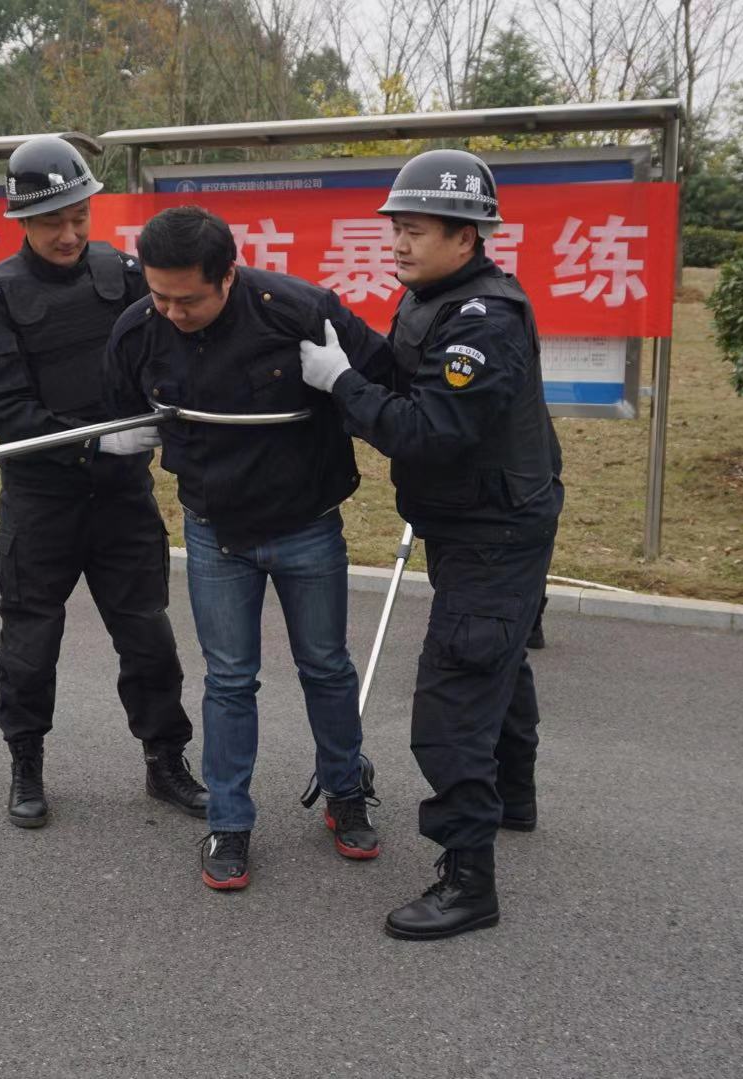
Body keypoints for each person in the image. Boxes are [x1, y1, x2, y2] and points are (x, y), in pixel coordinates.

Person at [295, 149, 563, 940]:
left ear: (465, 234)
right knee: (497, 657)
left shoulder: (485, 320)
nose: (398, 243)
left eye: (413, 230)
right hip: (473, 519)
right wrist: (335, 333)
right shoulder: (432, 299)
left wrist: (337, 385)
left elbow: (428, 428)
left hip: (494, 530)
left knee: (453, 699)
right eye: (395, 229)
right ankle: (513, 796)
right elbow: (401, 371)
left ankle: (467, 877)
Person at [103, 206, 386, 892]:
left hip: (306, 525)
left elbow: (384, 389)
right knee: (228, 679)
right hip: (213, 531)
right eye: (158, 293)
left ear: (228, 274)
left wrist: (341, 383)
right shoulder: (139, 329)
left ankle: (345, 791)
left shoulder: (299, 312)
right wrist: (119, 439)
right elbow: (119, 411)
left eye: (188, 297)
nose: (171, 310)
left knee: (325, 666)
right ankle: (229, 820)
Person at [0, 137, 208, 828]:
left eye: (79, 216)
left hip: (122, 499)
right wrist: (98, 438)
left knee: (148, 638)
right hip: (42, 500)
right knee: (29, 642)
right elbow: (5, 412)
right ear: (21, 221)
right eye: (52, 223)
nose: (70, 234)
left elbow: (163, 354)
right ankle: (26, 762)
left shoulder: (126, 273)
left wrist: (159, 417)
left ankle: (165, 761)